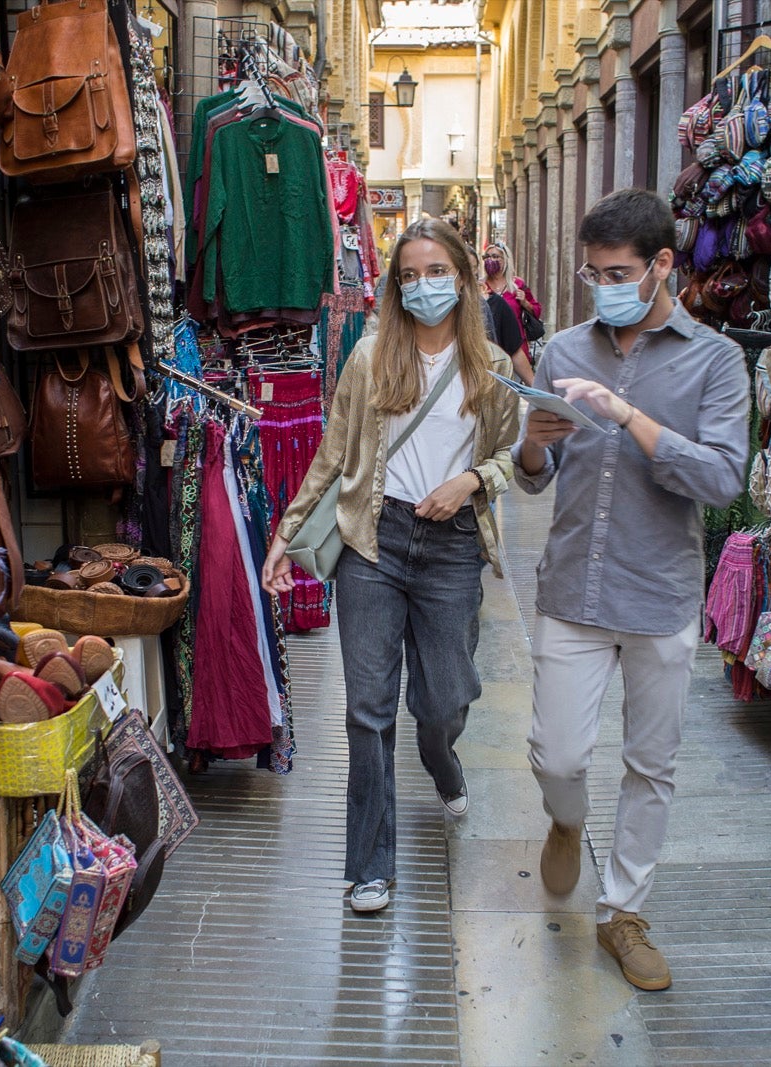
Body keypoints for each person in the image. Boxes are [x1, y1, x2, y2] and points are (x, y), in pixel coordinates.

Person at [514, 189, 749, 990]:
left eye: (618, 271)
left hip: (660, 591)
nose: (604, 285)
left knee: (651, 764)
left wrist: (628, 416)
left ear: (661, 267)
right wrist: (536, 447)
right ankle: (565, 818)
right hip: (573, 584)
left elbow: (722, 477)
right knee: (557, 751)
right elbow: (535, 479)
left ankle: (624, 914)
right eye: (592, 272)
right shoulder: (561, 352)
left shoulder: (717, 361)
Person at [264, 218, 521, 915]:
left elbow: (510, 459)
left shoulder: (491, 367)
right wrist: (286, 533)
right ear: (393, 285)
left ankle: (442, 758)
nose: (422, 286)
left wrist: (471, 482)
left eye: (436, 271)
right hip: (373, 543)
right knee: (367, 710)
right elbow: (332, 453)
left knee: (443, 700)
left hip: (453, 544)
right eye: (409, 275)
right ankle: (370, 865)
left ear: (464, 278)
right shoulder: (370, 358)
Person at [483, 242, 542, 383]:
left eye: (495, 256)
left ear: (505, 260)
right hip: (489, 348)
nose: (490, 260)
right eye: (487, 256)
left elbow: (537, 310)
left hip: (515, 347)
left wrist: (525, 303)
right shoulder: (480, 286)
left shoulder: (517, 285)